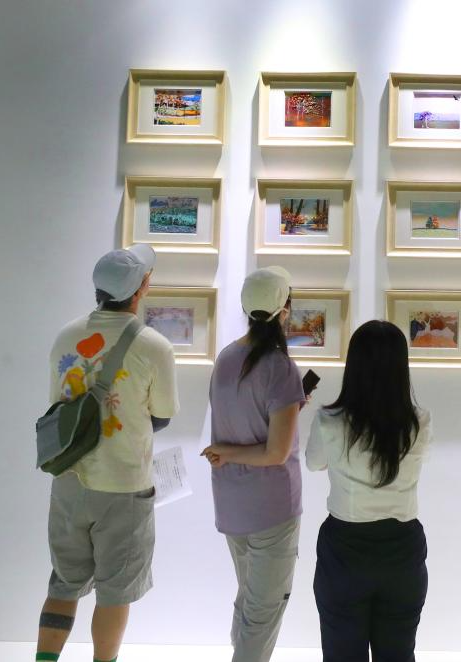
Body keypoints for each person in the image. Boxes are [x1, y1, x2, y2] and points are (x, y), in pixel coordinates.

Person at [38, 245, 178, 662]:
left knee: (63, 584)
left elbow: (58, 407)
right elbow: (163, 415)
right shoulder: (154, 346)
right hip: (124, 486)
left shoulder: (66, 335)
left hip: (68, 478)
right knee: (115, 593)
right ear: (142, 288)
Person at [306, 320, 432, 661]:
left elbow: (314, 463)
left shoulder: (329, 421)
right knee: (398, 653)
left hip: (345, 549)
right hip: (403, 548)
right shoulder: (419, 422)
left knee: (342, 654)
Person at [200, 267, 307, 662]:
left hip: (232, 503)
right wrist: (229, 452)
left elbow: (244, 421)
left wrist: (229, 453)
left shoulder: (226, 358)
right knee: (263, 611)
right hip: (272, 509)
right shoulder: (280, 367)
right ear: (285, 310)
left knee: (249, 599)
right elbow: (275, 454)